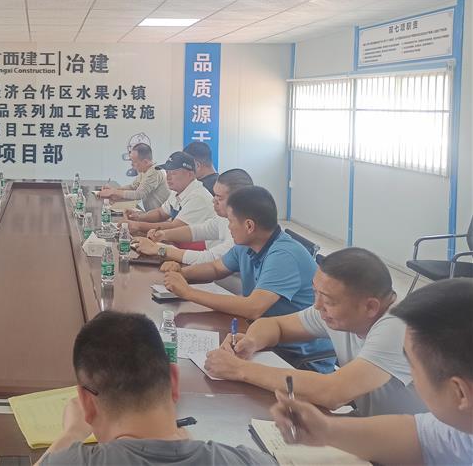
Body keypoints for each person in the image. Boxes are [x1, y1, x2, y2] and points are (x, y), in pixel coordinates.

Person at [269, 278, 473, 466]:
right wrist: (325, 429)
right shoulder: (462, 426)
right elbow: (418, 438)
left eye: (411, 365)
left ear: (459, 393)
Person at [204, 247, 424, 416]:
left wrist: (239, 369)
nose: (317, 306)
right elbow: (275, 326)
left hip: (413, 449)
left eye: (327, 300)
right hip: (374, 425)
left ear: (370, 307)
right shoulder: (338, 312)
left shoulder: (396, 327)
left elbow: (333, 392)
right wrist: (251, 341)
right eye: (315, 293)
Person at [36, 311, 274, 465]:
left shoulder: (70, 461)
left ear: (87, 403)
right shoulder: (251, 461)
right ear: (174, 381)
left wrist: (71, 434)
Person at [162, 186, 332, 367]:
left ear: (249, 226)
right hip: (262, 339)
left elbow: (253, 308)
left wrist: (188, 293)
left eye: (231, 221)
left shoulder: (284, 255)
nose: (228, 227)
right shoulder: (247, 245)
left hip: (296, 357)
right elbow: (215, 268)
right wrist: (181, 273)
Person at [133, 168, 253, 265]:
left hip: (225, 279)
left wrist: (159, 249)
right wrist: (164, 235)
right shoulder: (224, 218)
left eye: (219, 198)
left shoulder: (243, 231)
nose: (213, 201)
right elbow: (198, 230)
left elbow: (210, 259)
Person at [123, 152, 215, 235]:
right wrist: (138, 216)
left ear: (190, 174)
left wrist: (138, 225)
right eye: (167, 172)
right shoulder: (177, 191)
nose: (168, 177)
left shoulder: (198, 197)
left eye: (173, 173)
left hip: (199, 247)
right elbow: (160, 213)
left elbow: (175, 227)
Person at [95, 143, 170, 212]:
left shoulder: (155, 172)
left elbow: (139, 194)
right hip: (153, 214)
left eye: (134, 162)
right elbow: (133, 187)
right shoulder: (144, 170)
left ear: (145, 162)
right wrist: (114, 190)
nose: (131, 164)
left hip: (161, 217)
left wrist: (113, 192)